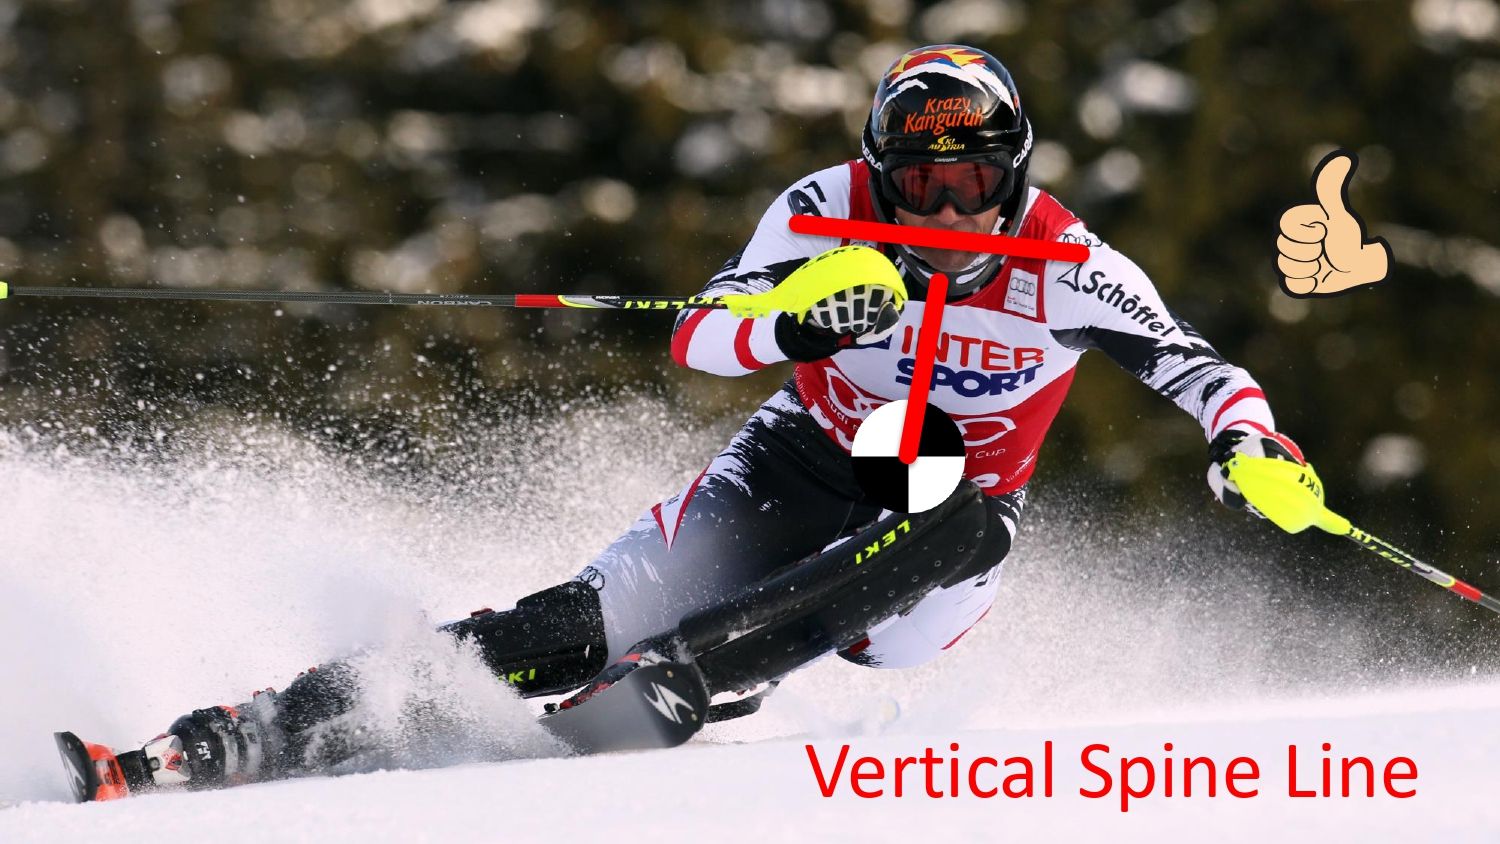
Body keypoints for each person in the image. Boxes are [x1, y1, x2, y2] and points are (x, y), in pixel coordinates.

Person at [85, 44, 1308, 796]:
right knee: (569, 623)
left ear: (1015, 173)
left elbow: (1206, 375)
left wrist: (1251, 447)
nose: (945, 212)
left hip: (931, 551)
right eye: (920, 183)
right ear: (881, 173)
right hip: (798, 456)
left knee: (963, 505)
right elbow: (702, 333)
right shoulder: (823, 212)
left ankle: (697, 675)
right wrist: (796, 325)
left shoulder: (1072, 267)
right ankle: (252, 729)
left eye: (972, 181)